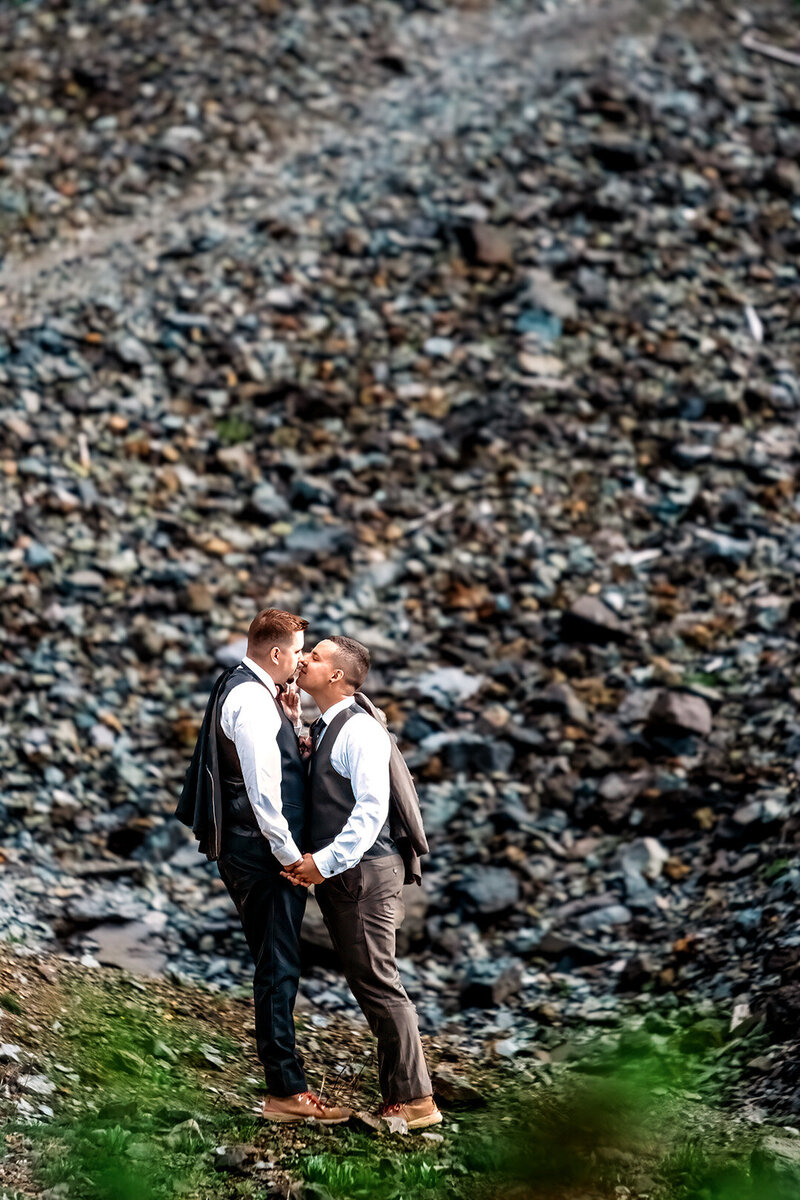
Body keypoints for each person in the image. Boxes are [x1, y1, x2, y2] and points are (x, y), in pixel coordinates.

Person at [176, 608, 350, 1125]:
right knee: (278, 965)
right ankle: (285, 1092)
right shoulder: (251, 702)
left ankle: (286, 1082)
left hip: (249, 847)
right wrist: (289, 856)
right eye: (298, 652)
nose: (300, 662)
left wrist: (292, 720)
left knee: (276, 960)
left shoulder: (249, 687)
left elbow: (270, 760)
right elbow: (262, 792)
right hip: (263, 852)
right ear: (276, 653)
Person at [284, 635, 441, 1131]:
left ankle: (416, 1100)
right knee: (369, 978)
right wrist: (293, 724)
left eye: (315, 655)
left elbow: (370, 812)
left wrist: (322, 864)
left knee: (378, 981)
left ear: (335, 676)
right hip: (353, 874)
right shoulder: (330, 724)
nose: (303, 658)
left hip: (364, 873)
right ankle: (404, 1093)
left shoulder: (360, 732)